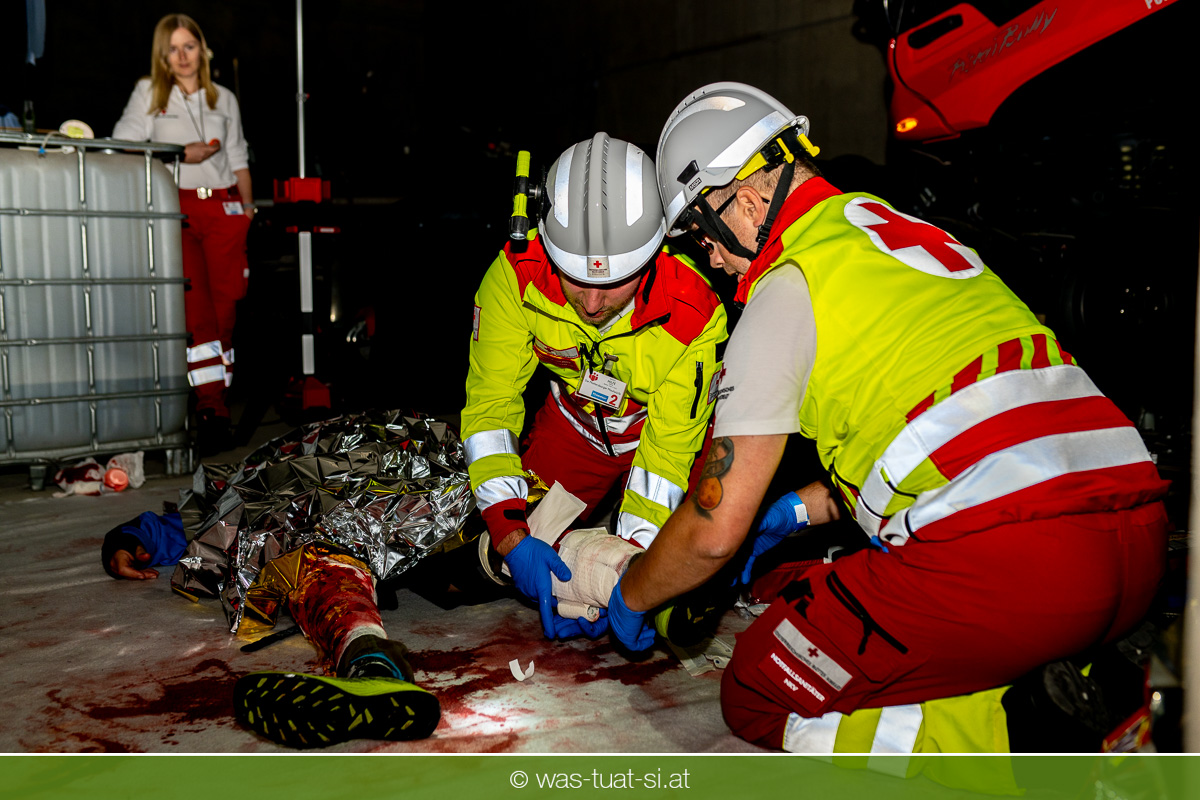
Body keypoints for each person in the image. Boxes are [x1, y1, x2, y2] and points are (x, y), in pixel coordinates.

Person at [605, 82, 1169, 759]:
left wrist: (633, 593)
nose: (709, 258)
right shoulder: (913, 237)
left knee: (758, 689)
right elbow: (936, 432)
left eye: (700, 234)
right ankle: (1101, 680)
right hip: (1138, 543)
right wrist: (792, 512)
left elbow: (711, 528)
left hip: (1020, 570)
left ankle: (1030, 736)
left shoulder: (789, 285)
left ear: (747, 201)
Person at [461, 132, 728, 639]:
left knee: (703, 566)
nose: (591, 303)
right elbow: (491, 408)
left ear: (653, 252)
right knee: (490, 557)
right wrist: (511, 535)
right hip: (576, 427)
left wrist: (627, 574)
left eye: (614, 281)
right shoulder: (515, 277)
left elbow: (666, 457)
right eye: (574, 277)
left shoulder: (694, 312)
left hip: (669, 437)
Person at [113, 13, 254, 456]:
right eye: (172, 48)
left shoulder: (224, 98)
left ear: (202, 49)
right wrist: (177, 154)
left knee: (226, 309)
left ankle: (217, 401)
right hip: (177, 209)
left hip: (225, 208)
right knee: (199, 313)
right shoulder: (149, 93)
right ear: (162, 55)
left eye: (188, 46)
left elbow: (238, 156)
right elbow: (123, 143)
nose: (182, 56)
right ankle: (211, 409)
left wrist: (248, 210)